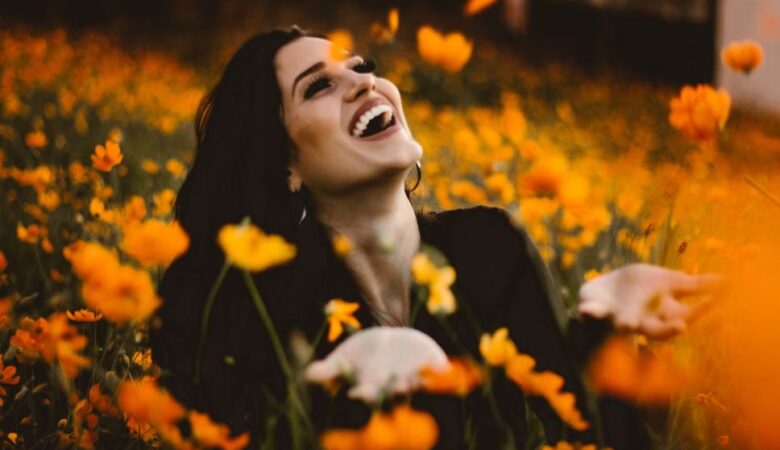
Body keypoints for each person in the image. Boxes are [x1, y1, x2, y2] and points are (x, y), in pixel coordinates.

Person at [151, 26, 715, 449]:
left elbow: (591, 428)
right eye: (320, 85)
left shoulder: (492, 246)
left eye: (361, 66)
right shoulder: (275, 319)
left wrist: (606, 331)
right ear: (285, 168)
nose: (364, 80)